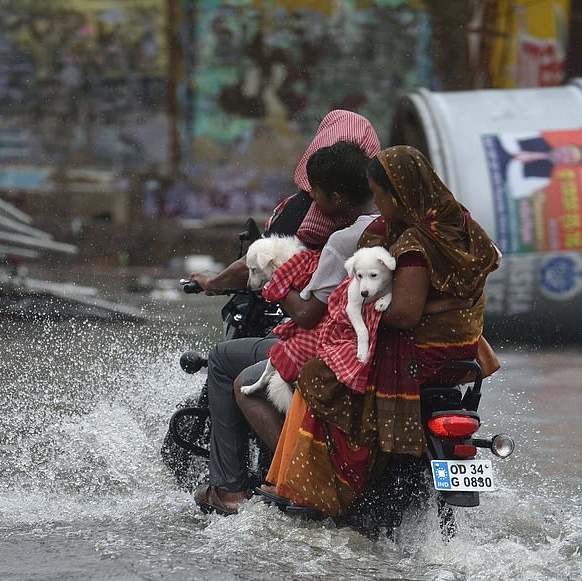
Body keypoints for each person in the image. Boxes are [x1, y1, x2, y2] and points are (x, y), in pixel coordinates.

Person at [261, 145, 501, 517]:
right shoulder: (460, 224)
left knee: (316, 376)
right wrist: (447, 305)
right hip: (465, 350)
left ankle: (313, 488)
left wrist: (356, 306)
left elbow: (404, 314)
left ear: (397, 194)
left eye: (377, 194)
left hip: (422, 353)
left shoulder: (415, 244)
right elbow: (485, 266)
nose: (375, 202)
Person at [192, 135, 378, 516]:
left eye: (319, 194)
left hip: (331, 347)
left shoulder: (339, 238)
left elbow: (308, 315)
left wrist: (278, 281)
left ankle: (234, 488)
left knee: (227, 364)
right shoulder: (398, 228)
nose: (314, 200)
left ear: (338, 198)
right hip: (377, 348)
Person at [188, 110, 380, 293]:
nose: (313, 193)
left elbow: (261, 260)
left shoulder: (309, 210)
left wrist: (214, 282)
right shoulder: (385, 207)